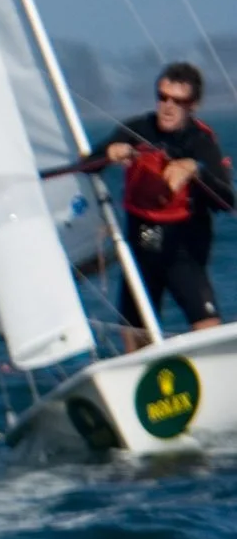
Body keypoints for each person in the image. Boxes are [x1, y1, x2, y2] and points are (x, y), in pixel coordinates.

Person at [78, 60, 233, 349]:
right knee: (134, 327)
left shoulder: (200, 142)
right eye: (163, 97)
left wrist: (195, 169)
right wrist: (109, 152)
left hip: (183, 251)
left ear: (193, 105)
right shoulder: (138, 128)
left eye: (179, 100)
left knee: (206, 325)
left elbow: (226, 200)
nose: (168, 106)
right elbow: (87, 164)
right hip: (142, 245)